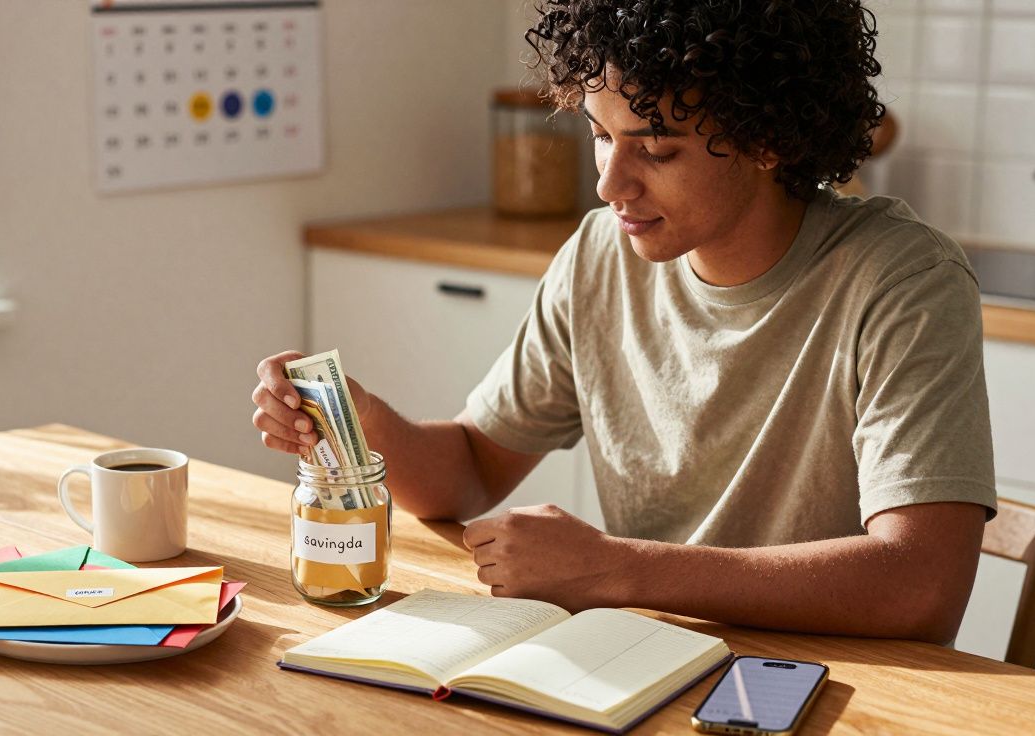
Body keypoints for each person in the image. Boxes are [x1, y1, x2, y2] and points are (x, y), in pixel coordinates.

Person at [251, 0, 996, 645]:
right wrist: (361, 420)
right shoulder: (600, 256)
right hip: (642, 660)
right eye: (600, 134)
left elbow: (920, 585)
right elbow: (473, 469)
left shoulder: (902, 280)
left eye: (656, 148)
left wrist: (617, 567)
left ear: (769, 140)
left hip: (828, 684)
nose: (609, 182)